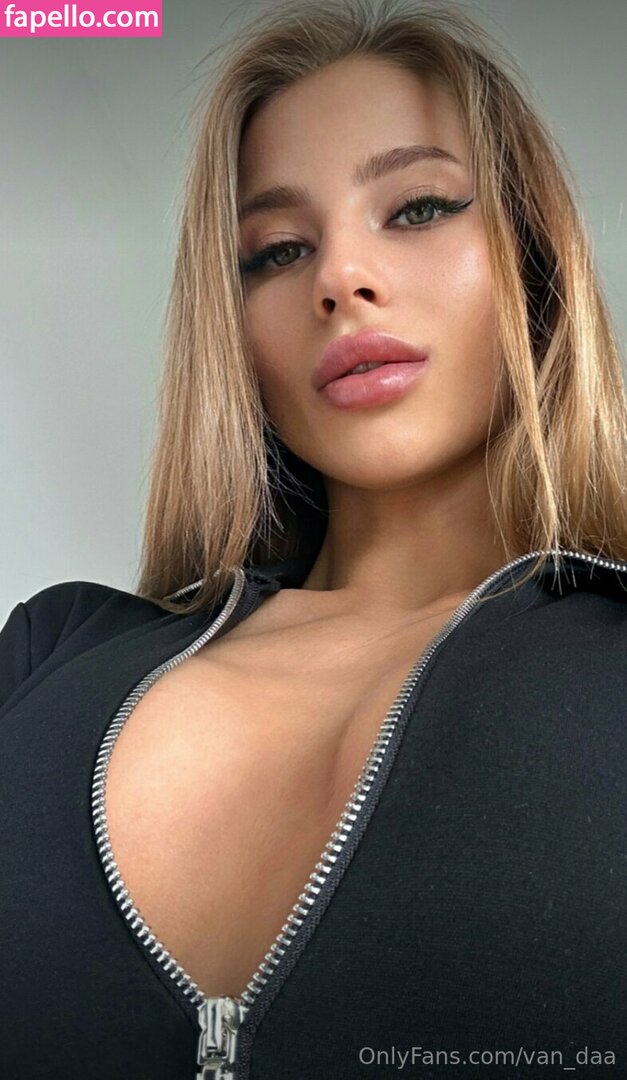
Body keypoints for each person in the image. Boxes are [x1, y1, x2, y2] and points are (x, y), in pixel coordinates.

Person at [1, 1, 626, 1077]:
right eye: (277, 251)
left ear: (533, 259)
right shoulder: (48, 656)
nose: (340, 278)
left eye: (417, 208)